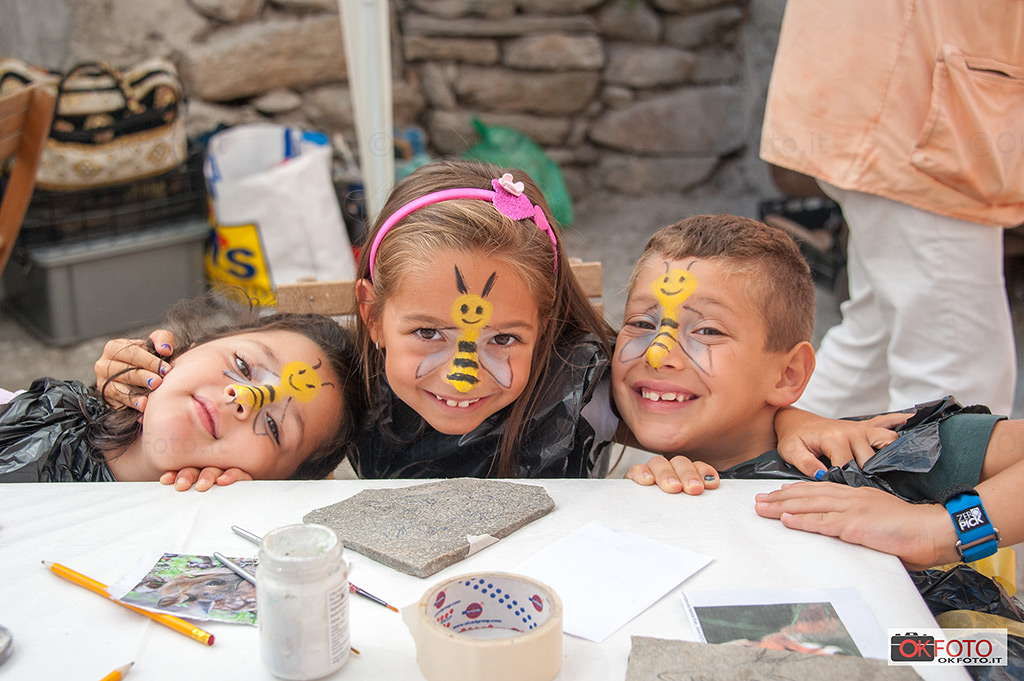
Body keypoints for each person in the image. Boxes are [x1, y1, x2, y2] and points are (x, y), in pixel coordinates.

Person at [97, 159, 616, 481]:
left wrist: (682, 459)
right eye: (427, 333)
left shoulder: (587, 389)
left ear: (543, 326)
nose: (463, 373)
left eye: (503, 338)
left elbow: (683, 412)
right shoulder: (337, 390)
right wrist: (139, 378)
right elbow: (223, 402)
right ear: (372, 316)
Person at [617, 214, 1023, 570]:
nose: (658, 354)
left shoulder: (872, 453)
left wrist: (939, 529)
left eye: (708, 330)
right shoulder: (658, 476)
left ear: (788, 374)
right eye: (639, 323)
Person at [760, 1, 1024, 419]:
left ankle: (755, 469)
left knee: (877, 346)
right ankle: (934, 485)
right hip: (916, 103)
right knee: (955, 369)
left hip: (899, 93)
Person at [1, 294, 363, 484]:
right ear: (191, 347)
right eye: (243, 366)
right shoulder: (37, 414)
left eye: (273, 427)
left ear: (278, 482)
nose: (243, 398)